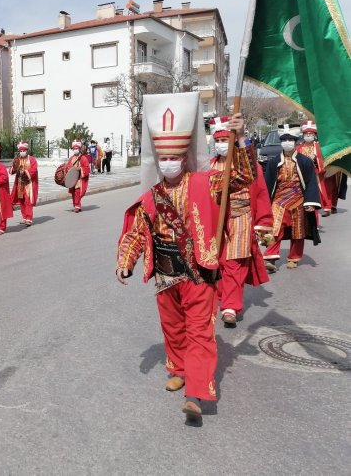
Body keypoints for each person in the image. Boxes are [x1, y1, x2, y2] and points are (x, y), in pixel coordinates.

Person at [115, 93, 255, 424]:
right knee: (173, 329)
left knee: (199, 332)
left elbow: (242, 179)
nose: (169, 162)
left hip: (198, 272)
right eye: (164, 157)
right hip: (165, 274)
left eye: (175, 157)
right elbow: (137, 231)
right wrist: (126, 260)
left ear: (184, 157)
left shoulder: (206, 182)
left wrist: (242, 139)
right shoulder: (151, 195)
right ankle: (176, 368)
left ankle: (195, 392)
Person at [209, 117, 273, 327]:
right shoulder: (207, 166)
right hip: (215, 218)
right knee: (216, 260)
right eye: (218, 140)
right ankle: (218, 296)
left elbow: (261, 192)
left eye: (226, 139)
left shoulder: (247, 165)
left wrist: (263, 221)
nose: (221, 144)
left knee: (235, 262)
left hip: (241, 217)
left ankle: (230, 306)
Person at [263, 125, 321, 272]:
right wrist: (264, 202)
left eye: (290, 139)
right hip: (278, 200)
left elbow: (311, 182)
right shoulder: (273, 161)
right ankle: (270, 257)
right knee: (274, 228)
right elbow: (267, 183)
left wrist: (310, 202)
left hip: (299, 200)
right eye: (285, 139)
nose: (287, 142)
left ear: (295, 142)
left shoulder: (305, 161)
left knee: (298, 231)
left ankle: (294, 258)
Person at [296, 120, 330, 216]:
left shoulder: (318, 147)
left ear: (314, 135)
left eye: (310, 133)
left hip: (316, 172)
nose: (308, 135)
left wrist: (316, 158)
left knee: (319, 191)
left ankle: (326, 207)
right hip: (303, 174)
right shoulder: (299, 148)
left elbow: (323, 159)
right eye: (306, 133)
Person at [9, 140, 38, 226]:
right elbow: (11, 171)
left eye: (23, 151)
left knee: (28, 201)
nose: (22, 152)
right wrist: (14, 167)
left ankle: (29, 218)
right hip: (20, 183)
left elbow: (34, 170)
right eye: (20, 151)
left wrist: (25, 172)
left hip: (29, 183)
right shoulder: (17, 159)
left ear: (27, 150)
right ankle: (24, 217)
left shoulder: (32, 159)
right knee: (22, 201)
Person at [66, 140, 90, 213]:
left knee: (77, 192)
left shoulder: (83, 158)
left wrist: (80, 168)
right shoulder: (71, 158)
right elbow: (68, 167)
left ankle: (77, 206)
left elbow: (87, 168)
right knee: (73, 193)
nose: (75, 150)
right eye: (74, 149)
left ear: (79, 149)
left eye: (77, 149)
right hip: (72, 179)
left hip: (79, 179)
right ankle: (75, 205)